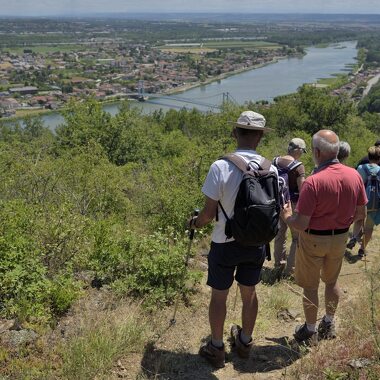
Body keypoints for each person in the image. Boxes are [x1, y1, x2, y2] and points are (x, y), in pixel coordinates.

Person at [189, 110, 277, 368]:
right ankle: (245, 342)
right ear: (260, 137)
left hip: (224, 243)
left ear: (235, 133)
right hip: (257, 243)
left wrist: (195, 223)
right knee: (249, 293)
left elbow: (207, 213)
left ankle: (216, 348)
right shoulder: (270, 167)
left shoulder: (220, 166)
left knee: (219, 296)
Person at [282, 130, 367, 344]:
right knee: (332, 282)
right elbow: (361, 214)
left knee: (311, 286)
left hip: (313, 240)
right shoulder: (354, 175)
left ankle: (310, 331)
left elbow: (301, 223)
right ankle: (328, 323)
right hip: (339, 238)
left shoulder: (313, 182)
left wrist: (287, 217)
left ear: (317, 152)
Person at [273, 138, 306, 277]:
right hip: (293, 203)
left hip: (277, 202)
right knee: (296, 237)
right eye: (302, 151)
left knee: (280, 234)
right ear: (298, 150)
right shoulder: (298, 166)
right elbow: (302, 188)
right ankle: (290, 270)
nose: (302, 154)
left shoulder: (275, 161)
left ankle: (278, 266)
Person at [348, 146, 380, 257]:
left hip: (362, 201)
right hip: (375, 203)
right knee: (369, 228)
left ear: (368, 156)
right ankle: (362, 249)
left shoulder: (361, 168)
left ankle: (354, 237)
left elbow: (356, 185)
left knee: (358, 220)